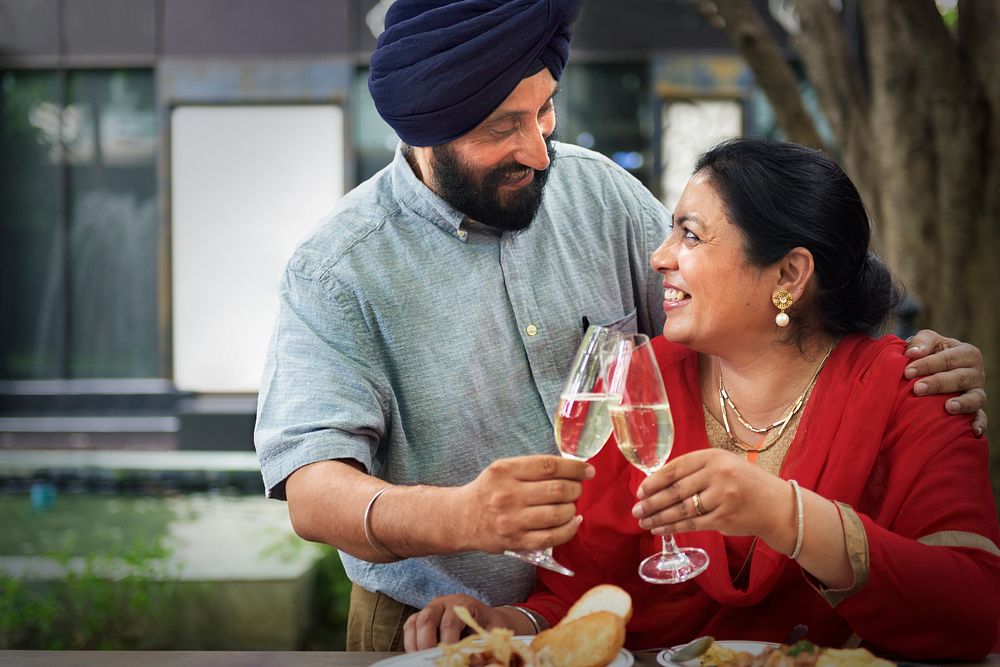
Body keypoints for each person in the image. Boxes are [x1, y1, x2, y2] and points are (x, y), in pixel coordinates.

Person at [254, 0, 989, 653]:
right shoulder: (337, 270)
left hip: (606, 609)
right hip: (442, 619)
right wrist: (461, 517)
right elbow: (314, 489)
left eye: (544, 112)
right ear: (427, 129)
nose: (538, 150)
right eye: (504, 126)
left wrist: (902, 352)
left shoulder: (596, 192)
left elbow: (746, 284)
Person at [403, 139, 1000, 660]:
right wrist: (508, 625)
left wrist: (783, 514)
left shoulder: (916, 389)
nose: (659, 256)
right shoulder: (640, 382)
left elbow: (973, 612)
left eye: (689, 235)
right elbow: (577, 595)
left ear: (790, 275)